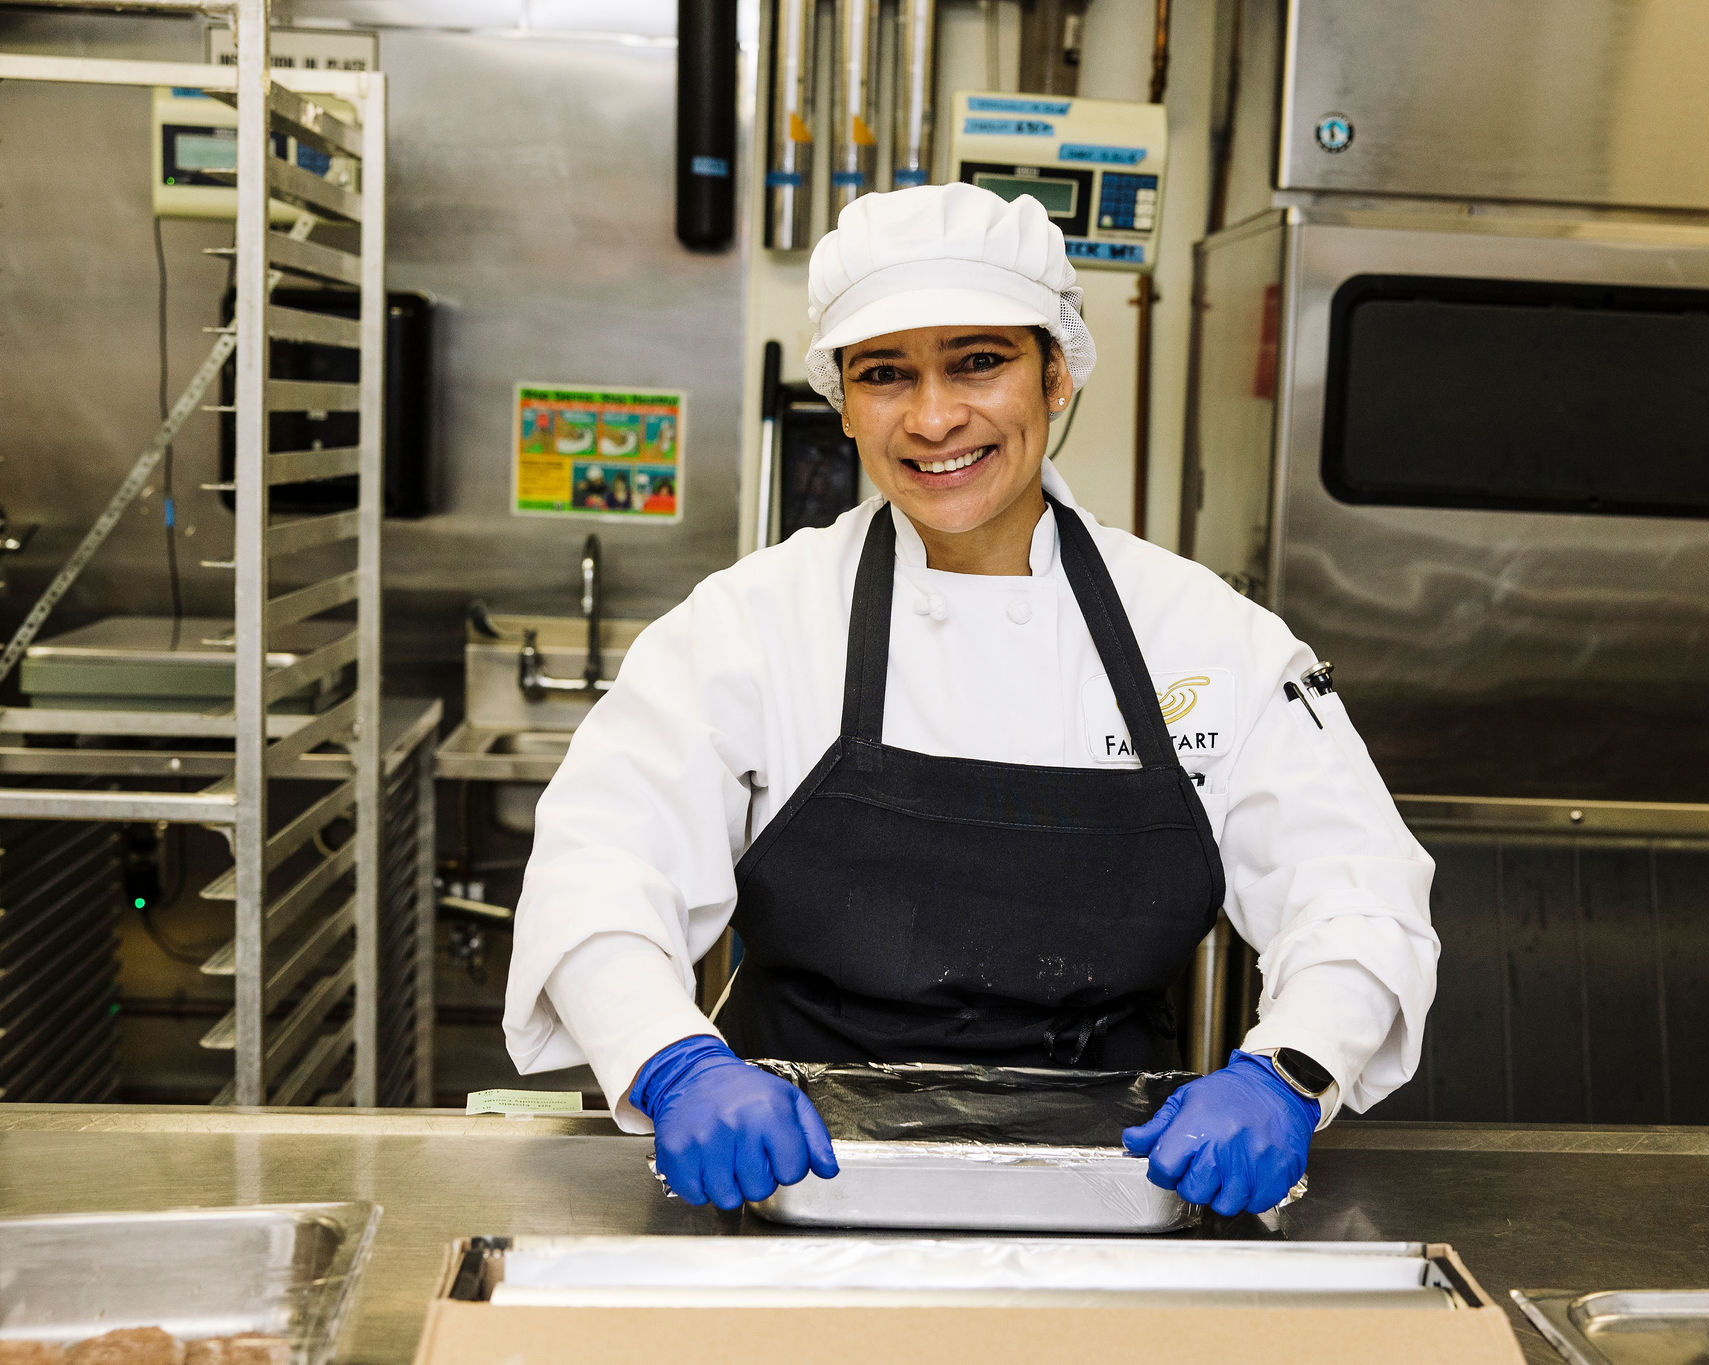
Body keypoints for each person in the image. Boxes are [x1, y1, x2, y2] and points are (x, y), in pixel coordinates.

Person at [504, 183, 1438, 1219]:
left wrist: (1288, 1071)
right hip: (790, 1176)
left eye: (978, 361)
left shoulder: (1208, 636)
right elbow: (599, 869)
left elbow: (1356, 892)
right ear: (843, 403)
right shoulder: (749, 624)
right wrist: (673, 1060)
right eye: (885, 374)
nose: (934, 416)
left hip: (1123, 1182)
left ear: (1057, 374)